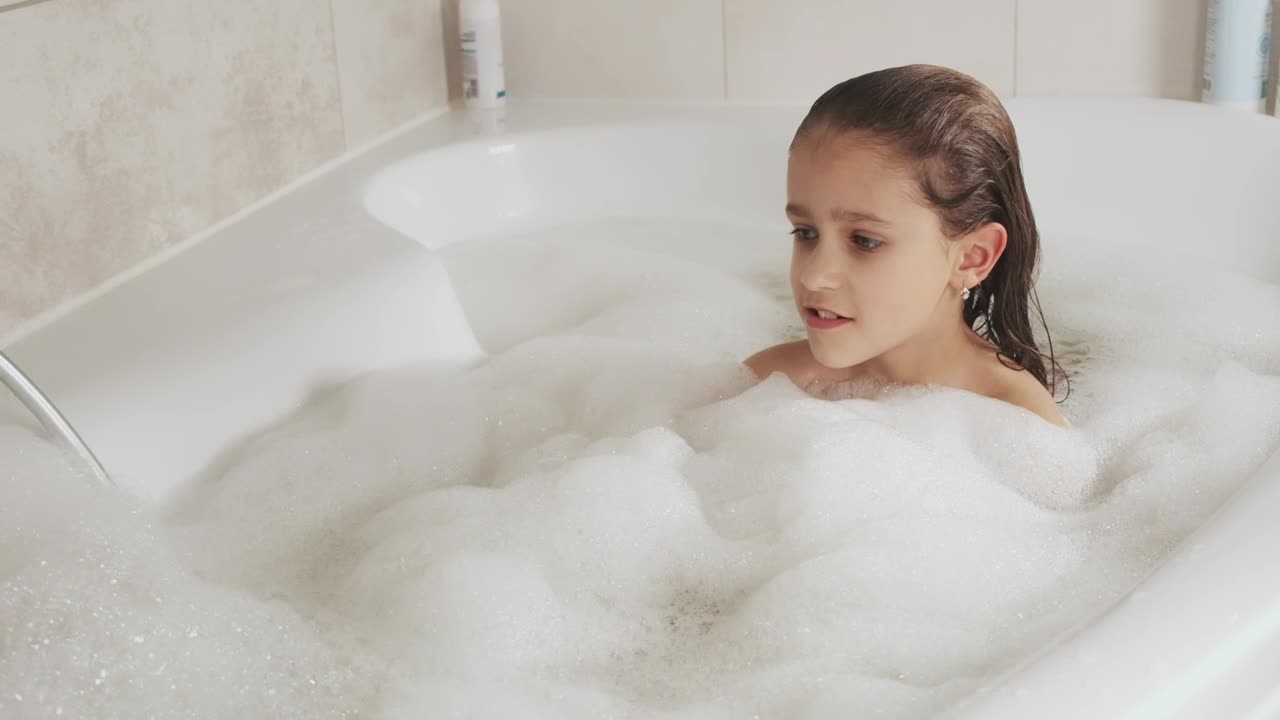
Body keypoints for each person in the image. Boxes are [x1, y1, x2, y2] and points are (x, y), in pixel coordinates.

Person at [745, 64, 1068, 428]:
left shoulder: (1022, 426)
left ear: (972, 258)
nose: (815, 277)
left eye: (864, 241)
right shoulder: (768, 384)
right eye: (805, 233)